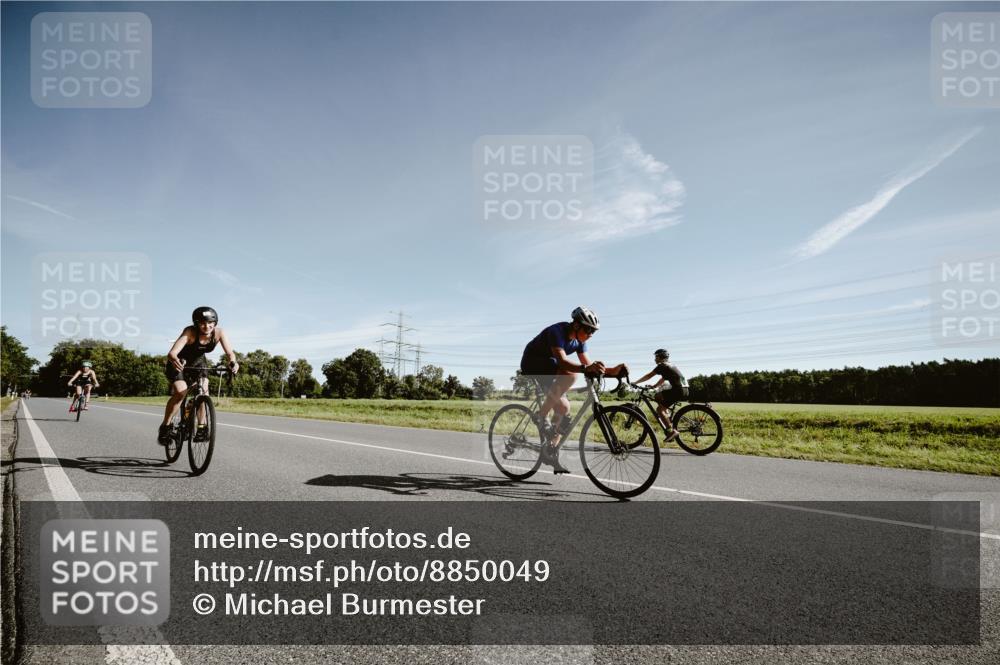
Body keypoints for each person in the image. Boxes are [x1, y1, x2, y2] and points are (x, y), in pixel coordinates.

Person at [520, 306, 627, 473]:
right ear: (576, 325)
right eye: (589, 330)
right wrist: (587, 368)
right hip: (533, 362)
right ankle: (540, 416)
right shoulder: (557, 331)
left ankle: (550, 452)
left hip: (550, 365)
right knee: (570, 373)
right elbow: (563, 362)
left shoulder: (580, 342)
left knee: (564, 409)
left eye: (594, 332)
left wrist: (613, 371)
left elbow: (588, 365)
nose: (591, 334)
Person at [158, 307, 239, 445]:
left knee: (204, 391)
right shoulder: (190, 332)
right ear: (196, 323)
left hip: (199, 363)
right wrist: (175, 361)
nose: (207, 326)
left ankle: (201, 427)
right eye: (202, 323)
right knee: (180, 392)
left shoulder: (219, 333)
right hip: (179, 362)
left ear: (215, 323)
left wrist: (233, 362)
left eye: (210, 323)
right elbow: (172, 353)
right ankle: (165, 426)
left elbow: (230, 353)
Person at [631, 348, 688, 441]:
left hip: (678, 390)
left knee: (659, 409)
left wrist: (636, 382)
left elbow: (649, 376)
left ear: (660, 357)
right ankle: (666, 415)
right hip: (685, 389)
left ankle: (671, 430)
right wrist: (655, 386)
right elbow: (664, 379)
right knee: (657, 396)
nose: (655, 359)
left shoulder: (662, 365)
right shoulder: (669, 365)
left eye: (656, 356)